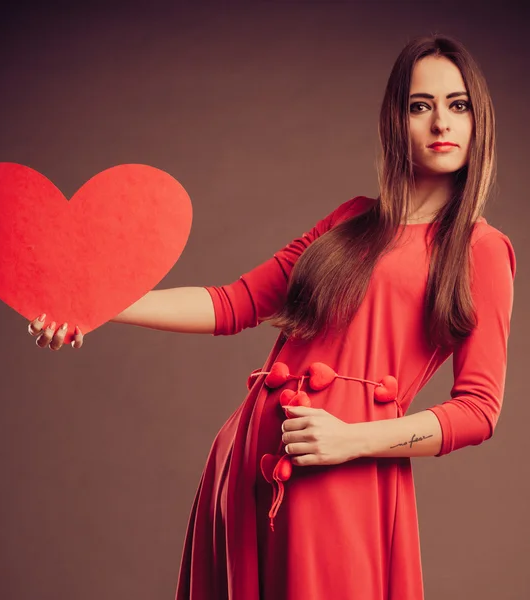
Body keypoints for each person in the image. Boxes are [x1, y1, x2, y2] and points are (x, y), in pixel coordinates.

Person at [27, 34, 516, 600]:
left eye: (458, 105)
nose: (441, 123)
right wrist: (93, 309)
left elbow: (479, 410)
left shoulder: (480, 248)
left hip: (341, 470)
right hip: (252, 461)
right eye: (420, 105)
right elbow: (234, 302)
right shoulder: (350, 220)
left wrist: (353, 440)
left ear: (478, 119)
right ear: (395, 120)